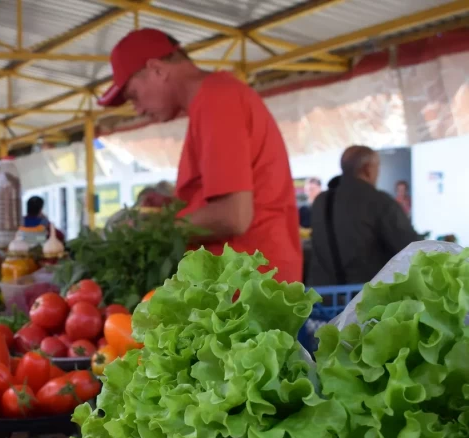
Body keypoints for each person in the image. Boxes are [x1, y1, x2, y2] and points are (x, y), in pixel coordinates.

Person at [99, 28, 303, 283]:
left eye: (134, 96)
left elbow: (233, 217)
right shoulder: (213, 99)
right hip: (244, 278)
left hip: (247, 283)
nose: (137, 109)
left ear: (157, 70)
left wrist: (152, 230)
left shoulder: (216, 99)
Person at [308, 146, 421, 286]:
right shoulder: (379, 202)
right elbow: (412, 249)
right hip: (366, 299)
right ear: (368, 169)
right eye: (377, 167)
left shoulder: (321, 201)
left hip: (324, 299)